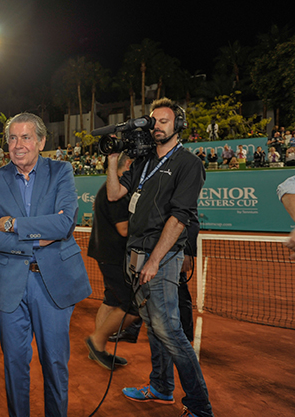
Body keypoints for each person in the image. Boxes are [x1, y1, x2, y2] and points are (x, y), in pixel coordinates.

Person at [0, 112, 91, 417]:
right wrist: (37, 238)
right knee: (14, 364)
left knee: (54, 363)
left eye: (26, 137)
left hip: (53, 284)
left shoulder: (61, 171)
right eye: (12, 138)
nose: (18, 145)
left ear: (41, 141)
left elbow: (65, 223)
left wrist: (13, 224)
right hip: (12, 285)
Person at [106, 98, 213, 417]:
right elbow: (114, 194)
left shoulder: (189, 164)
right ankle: (162, 387)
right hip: (135, 253)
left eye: (164, 121)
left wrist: (154, 260)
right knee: (153, 325)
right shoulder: (142, 161)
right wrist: (113, 160)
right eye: (153, 121)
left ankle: (199, 405)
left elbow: (180, 218)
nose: (156, 126)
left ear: (177, 126)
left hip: (162, 258)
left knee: (169, 329)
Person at [85, 152, 140, 369]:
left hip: (105, 254)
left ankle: (97, 349)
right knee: (133, 306)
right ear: (128, 164)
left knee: (110, 300)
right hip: (113, 256)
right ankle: (97, 341)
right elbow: (124, 229)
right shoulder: (117, 192)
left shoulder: (110, 187)